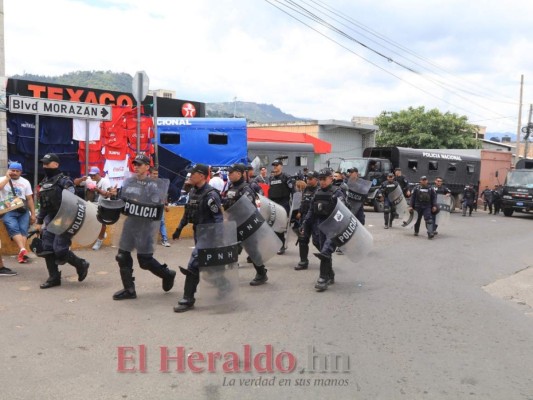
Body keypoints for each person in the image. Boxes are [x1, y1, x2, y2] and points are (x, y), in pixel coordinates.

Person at [109, 154, 176, 300]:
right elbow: (122, 201)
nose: (137, 166)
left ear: (147, 167)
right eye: (135, 164)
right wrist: (114, 196)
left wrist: (140, 202)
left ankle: (167, 274)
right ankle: (129, 290)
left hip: (145, 226)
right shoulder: (128, 182)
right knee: (122, 256)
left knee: (144, 261)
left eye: (140, 164)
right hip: (130, 223)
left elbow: (156, 205)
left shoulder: (153, 185)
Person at [34, 153, 90, 289]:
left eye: (48, 163)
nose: (45, 166)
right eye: (44, 163)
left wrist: (68, 220)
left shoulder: (65, 181)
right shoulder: (44, 183)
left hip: (65, 218)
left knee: (60, 250)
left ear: (56, 165)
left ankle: (81, 264)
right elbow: (44, 205)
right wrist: (39, 222)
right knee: (47, 248)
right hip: (50, 219)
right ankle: (54, 278)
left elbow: (73, 201)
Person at [173, 163, 223, 313]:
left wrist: (219, 239)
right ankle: (224, 286)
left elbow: (218, 218)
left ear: (201, 176)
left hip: (209, 234)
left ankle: (188, 299)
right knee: (208, 266)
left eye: (192, 174)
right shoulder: (193, 192)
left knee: (193, 265)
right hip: (198, 232)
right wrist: (179, 229)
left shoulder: (211, 195)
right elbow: (188, 213)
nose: (190, 176)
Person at [301, 168, 346, 292]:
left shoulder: (337, 193)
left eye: (324, 179)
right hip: (320, 225)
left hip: (333, 226)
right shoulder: (317, 193)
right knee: (320, 247)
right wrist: (305, 223)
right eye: (320, 179)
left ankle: (323, 278)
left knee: (325, 251)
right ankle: (330, 273)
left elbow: (344, 212)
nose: (322, 182)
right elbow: (311, 210)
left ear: (331, 179)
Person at [224, 163, 268, 285]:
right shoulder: (231, 187)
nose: (229, 175)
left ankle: (261, 273)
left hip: (245, 224)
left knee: (252, 250)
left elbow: (247, 208)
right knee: (230, 249)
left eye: (230, 173)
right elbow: (227, 203)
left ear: (238, 173)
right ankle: (229, 277)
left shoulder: (246, 189)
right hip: (233, 223)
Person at [0, 162, 36, 263]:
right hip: (8, 210)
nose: (14, 172)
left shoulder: (25, 182)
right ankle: (23, 251)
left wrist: (33, 214)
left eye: (17, 171)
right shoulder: (2, 179)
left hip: (23, 209)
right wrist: (7, 178)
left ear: (21, 172)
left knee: (23, 230)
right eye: (12, 170)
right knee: (12, 226)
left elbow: (29, 199)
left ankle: (22, 253)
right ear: (8, 170)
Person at [82, 166, 112, 251]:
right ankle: (102, 234)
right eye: (91, 175)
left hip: (105, 205)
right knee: (91, 220)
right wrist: (81, 179)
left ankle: (100, 240)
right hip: (97, 205)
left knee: (102, 224)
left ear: (98, 174)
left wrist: (97, 189)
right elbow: (76, 182)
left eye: (94, 175)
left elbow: (108, 194)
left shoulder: (105, 181)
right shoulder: (94, 181)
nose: (92, 177)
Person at [268, 159, 294, 254]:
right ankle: (277, 244)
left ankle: (282, 245)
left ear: (281, 166)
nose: (275, 166)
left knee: (280, 226)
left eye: (277, 165)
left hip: (283, 203)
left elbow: (293, 191)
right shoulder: (271, 178)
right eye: (274, 165)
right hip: (273, 203)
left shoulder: (286, 177)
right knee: (273, 225)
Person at [295, 170, 319, 271]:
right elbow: (303, 201)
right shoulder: (306, 189)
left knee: (317, 241)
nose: (308, 181)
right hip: (305, 217)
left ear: (316, 179)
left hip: (316, 218)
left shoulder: (319, 190)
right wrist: (300, 211)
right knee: (303, 239)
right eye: (307, 178)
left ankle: (326, 259)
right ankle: (303, 261)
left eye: (310, 179)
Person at [150, 167, 171, 247]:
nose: (155, 175)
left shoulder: (161, 183)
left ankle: (164, 240)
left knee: (161, 222)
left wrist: (166, 205)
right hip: (149, 206)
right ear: (150, 174)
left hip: (159, 206)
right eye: (154, 173)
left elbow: (164, 195)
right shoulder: (146, 183)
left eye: (156, 174)